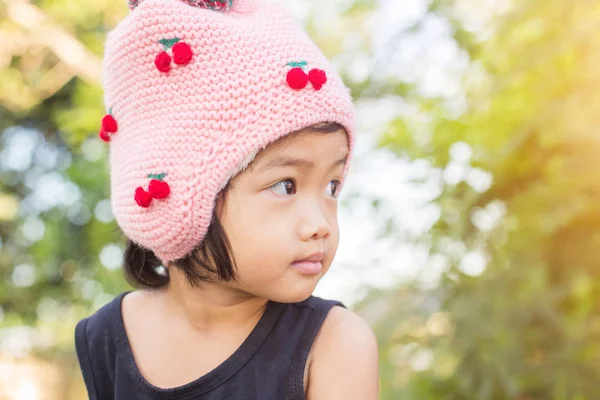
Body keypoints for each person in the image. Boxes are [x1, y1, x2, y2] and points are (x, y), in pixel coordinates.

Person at [74, 0, 379, 398]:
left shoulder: (335, 345)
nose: (321, 223)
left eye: (332, 186)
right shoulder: (105, 338)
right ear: (185, 193)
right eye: (286, 185)